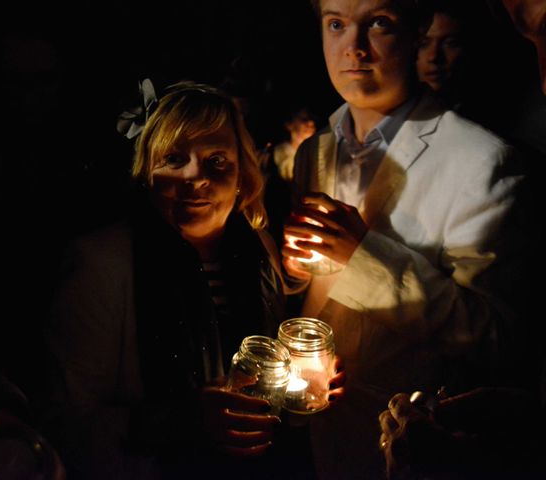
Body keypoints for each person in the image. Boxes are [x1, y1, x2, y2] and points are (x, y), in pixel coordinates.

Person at [42, 80, 345, 480]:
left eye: (217, 160)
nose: (194, 177)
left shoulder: (258, 247)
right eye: (173, 158)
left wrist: (304, 386)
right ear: (145, 171)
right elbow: (66, 421)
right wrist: (180, 422)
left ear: (241, 173)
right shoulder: (101, 262)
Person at [283, 0, 526, 477]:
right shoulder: (317, 149)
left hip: (408, 442)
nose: (353, 49)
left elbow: (496, 337)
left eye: (377, 24)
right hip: (319, 429)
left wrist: (364, 259)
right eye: (336, 24)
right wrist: (298, 272)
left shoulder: (483, 160)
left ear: (418, 32)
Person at [378, 2, 546, 478]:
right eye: (425, 42)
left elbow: (499, 328)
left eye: (450, 42)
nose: (434, 58)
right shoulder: (366, 135)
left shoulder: (503, 149)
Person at [273, 107, 317, 182]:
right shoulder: (279, 153)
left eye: (312, 119)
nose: (310, 123)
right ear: (289, 125)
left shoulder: (317, 152)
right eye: (304, 119)